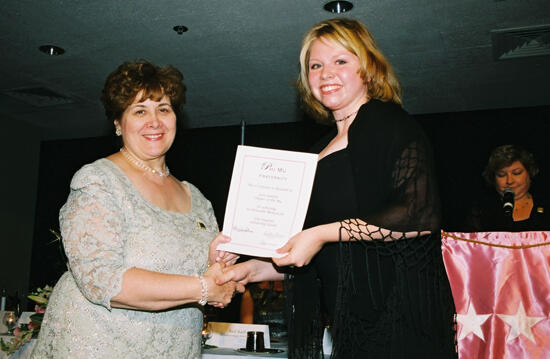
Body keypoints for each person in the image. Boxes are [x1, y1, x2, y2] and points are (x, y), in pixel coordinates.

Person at [216, 18, 456, 358]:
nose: (326, 73)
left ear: (368, 68)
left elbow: (418, 214)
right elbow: (307, 253)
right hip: (353, 326)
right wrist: (250, 269)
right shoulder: (316, 151)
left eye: (340, 61)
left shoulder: (389, 124)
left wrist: (319, 234)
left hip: (401, 321)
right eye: (315, 65)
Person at [31, 60, 239, 358]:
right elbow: (102, 279)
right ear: (118, 123)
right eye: (140, 110)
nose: (154, 122)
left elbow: (200, 276)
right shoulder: (98, 180)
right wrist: (204, 288)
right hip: (101, 344)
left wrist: (217, 268)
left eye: (163, 109)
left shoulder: (196, 197)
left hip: (176, 346)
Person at [467, 144, 548, 231]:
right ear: (493, 179)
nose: (509, 181)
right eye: (501, 175)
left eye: (516, 173)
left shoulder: (546, 206)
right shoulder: (480, 213)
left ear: (530, 173)